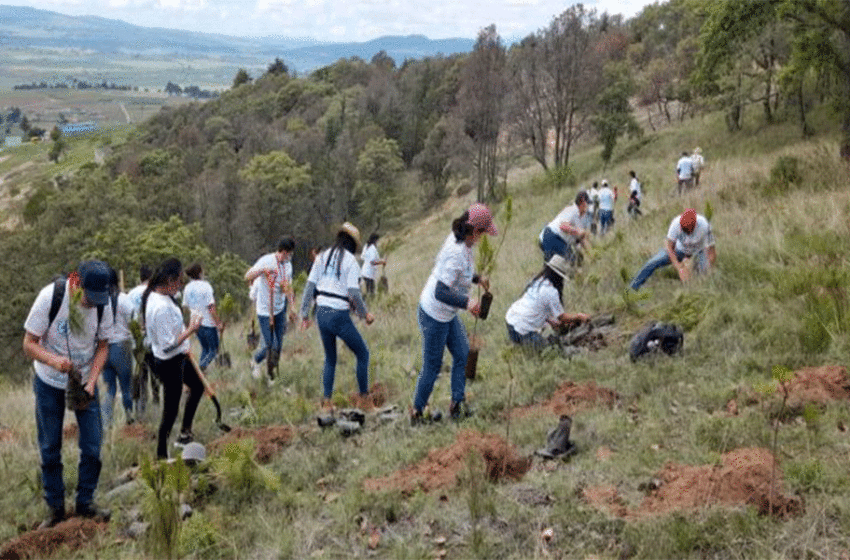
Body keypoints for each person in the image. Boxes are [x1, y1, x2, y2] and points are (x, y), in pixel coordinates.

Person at [23, 261, 114, 528]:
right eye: (89, 297)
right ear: (78, 284)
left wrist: (92, 381)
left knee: (93, 446)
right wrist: (53, 361)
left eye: (99, 299)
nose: (93, 304)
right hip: (49, 381)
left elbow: (103, 346)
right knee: (50, 447)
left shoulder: (103, 304)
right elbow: (29, 343)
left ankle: (85, 502)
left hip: (84, 380)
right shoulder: (51, 297)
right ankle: (56, 509)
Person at [412, 203, 497, 423]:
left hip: (448, 313)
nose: (483, 237)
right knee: (432, 366)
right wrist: (467, 303)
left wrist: (477, 279)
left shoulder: (464, 243)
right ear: (474, 230)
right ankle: (417, 412)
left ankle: (456, 405)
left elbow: (461, 273)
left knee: (462, 352)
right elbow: (441, 291)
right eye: (483, 232)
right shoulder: (455, 251)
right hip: (434, 314)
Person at [299, 223, 374, 409]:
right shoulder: (351, 261)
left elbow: (309, 288)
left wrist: (304, 315)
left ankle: (326, 402)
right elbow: (354, 294)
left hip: (321, 313)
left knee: (330, 358)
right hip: (338, 314)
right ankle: (364, 399)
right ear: (352, 244)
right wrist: (365, 315)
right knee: (362, 354)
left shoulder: (322, 256)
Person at [142, 258, 203, 459]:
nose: (181, 284)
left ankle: (185, 433)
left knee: (197, 386)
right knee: (170, 411)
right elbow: (168, 344)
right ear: (168, 280)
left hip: (180, 357)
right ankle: (161, 453)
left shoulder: (158, 295)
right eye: (178, 280)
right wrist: (191, 330)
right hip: (169, 363)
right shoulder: (160, 307)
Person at [505, 255, 590, 350]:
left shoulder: (539, 280)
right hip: (522, 328)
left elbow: (537, 306)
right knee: (551, 350)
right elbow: (562, 317)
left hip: (511, 320)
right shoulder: (551, 291)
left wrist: (550, 321)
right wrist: (578, 316)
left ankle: (520, 345)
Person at [244, 238, 296, 380]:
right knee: (269, 344)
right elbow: (247, 276)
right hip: (265, 310)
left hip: (280, 309)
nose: (289, 257)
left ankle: (271, 375)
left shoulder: (288, 266)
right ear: (284, 252)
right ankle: (255, 361)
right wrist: (263, 271)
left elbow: (288, 287)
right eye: (289, 254)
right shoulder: (266, 260)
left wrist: (292, 307)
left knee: (278, 345)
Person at [630, 208, 716, 291]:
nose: (685, 231)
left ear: (695, 225)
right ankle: (632, 289)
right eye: (684, 228)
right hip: (679, 250)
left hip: (698, 251)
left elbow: (711, 252)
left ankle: (698, 289)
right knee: (652, 262)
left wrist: (707, 269)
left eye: (688, 229)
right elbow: (669, 247)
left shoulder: (704, 225)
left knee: (704, 272)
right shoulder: (676, 224)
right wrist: (679, 268)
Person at [101, 268, 136, 427]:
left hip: (104, 348)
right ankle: (129, 418)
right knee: (126, 386)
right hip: (121, 346)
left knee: (109, 388)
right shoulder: (123, 299)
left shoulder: (98, 300)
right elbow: (133, 321)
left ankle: (107, 422)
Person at [128, 264, 158, 417]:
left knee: (141, 373)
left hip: (135, 340)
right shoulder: (153, 292)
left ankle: (141, 405)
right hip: (150, 340)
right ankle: (156, 400)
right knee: (154, 372)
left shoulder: (131, 293)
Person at [183, 263, 222, 372]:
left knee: (205, 349)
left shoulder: (187, 288)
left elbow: (185, 307)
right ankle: (200, 369)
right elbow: (211, 307)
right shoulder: (206, 286)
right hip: (208, 323)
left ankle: (201, 376)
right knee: (213, 350)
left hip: (195, 324)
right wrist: (218, 323)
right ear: (200, 273)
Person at [539, 190, 591, 263]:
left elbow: (581, 239)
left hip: (557, 239)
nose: (588, 207)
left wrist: (591, 254)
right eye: (587, 203)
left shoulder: (579, 217)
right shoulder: (572, 210)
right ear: (582, 202)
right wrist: (578, 231)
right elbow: (563, 226)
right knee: (570, 261)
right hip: (552, 236)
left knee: (576, 260)